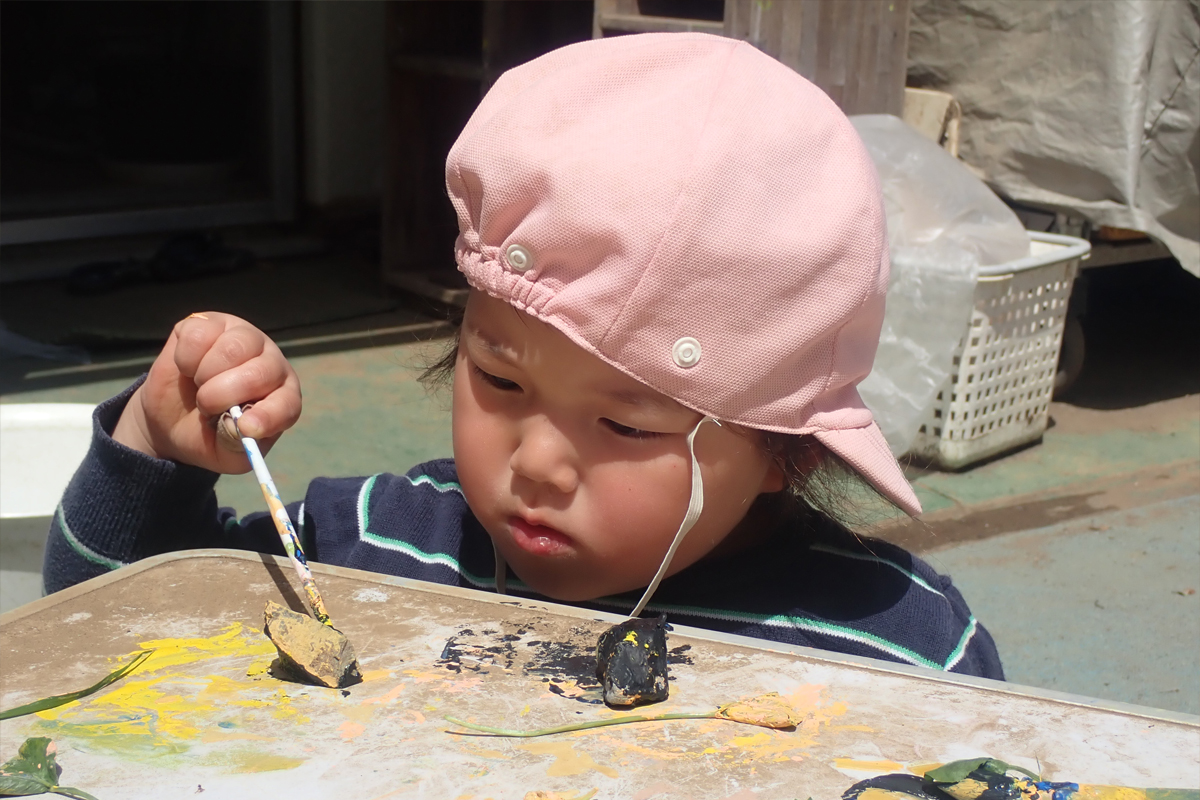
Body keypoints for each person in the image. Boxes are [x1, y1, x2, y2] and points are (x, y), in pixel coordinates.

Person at [45, 33, 1003, 679]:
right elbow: (98, 634)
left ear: (783, 449)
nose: (535, 464)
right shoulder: (379, 545)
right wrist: (153, 458)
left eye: (628, 422)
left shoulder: (897, 646)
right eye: (499, 378)